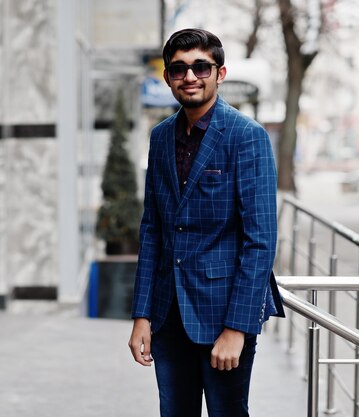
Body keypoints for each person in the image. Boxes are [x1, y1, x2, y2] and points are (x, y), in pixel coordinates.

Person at [128, 28, 284, 417]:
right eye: (179, 69)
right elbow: (152, 230)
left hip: (223, 314)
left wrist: (237, 329)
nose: (190, 77)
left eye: (201, 67)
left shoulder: (247, 136)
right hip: (167, 313)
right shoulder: (161, 137)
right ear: (167, 77)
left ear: (220, 73)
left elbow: (260, 240)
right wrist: (141, 315)